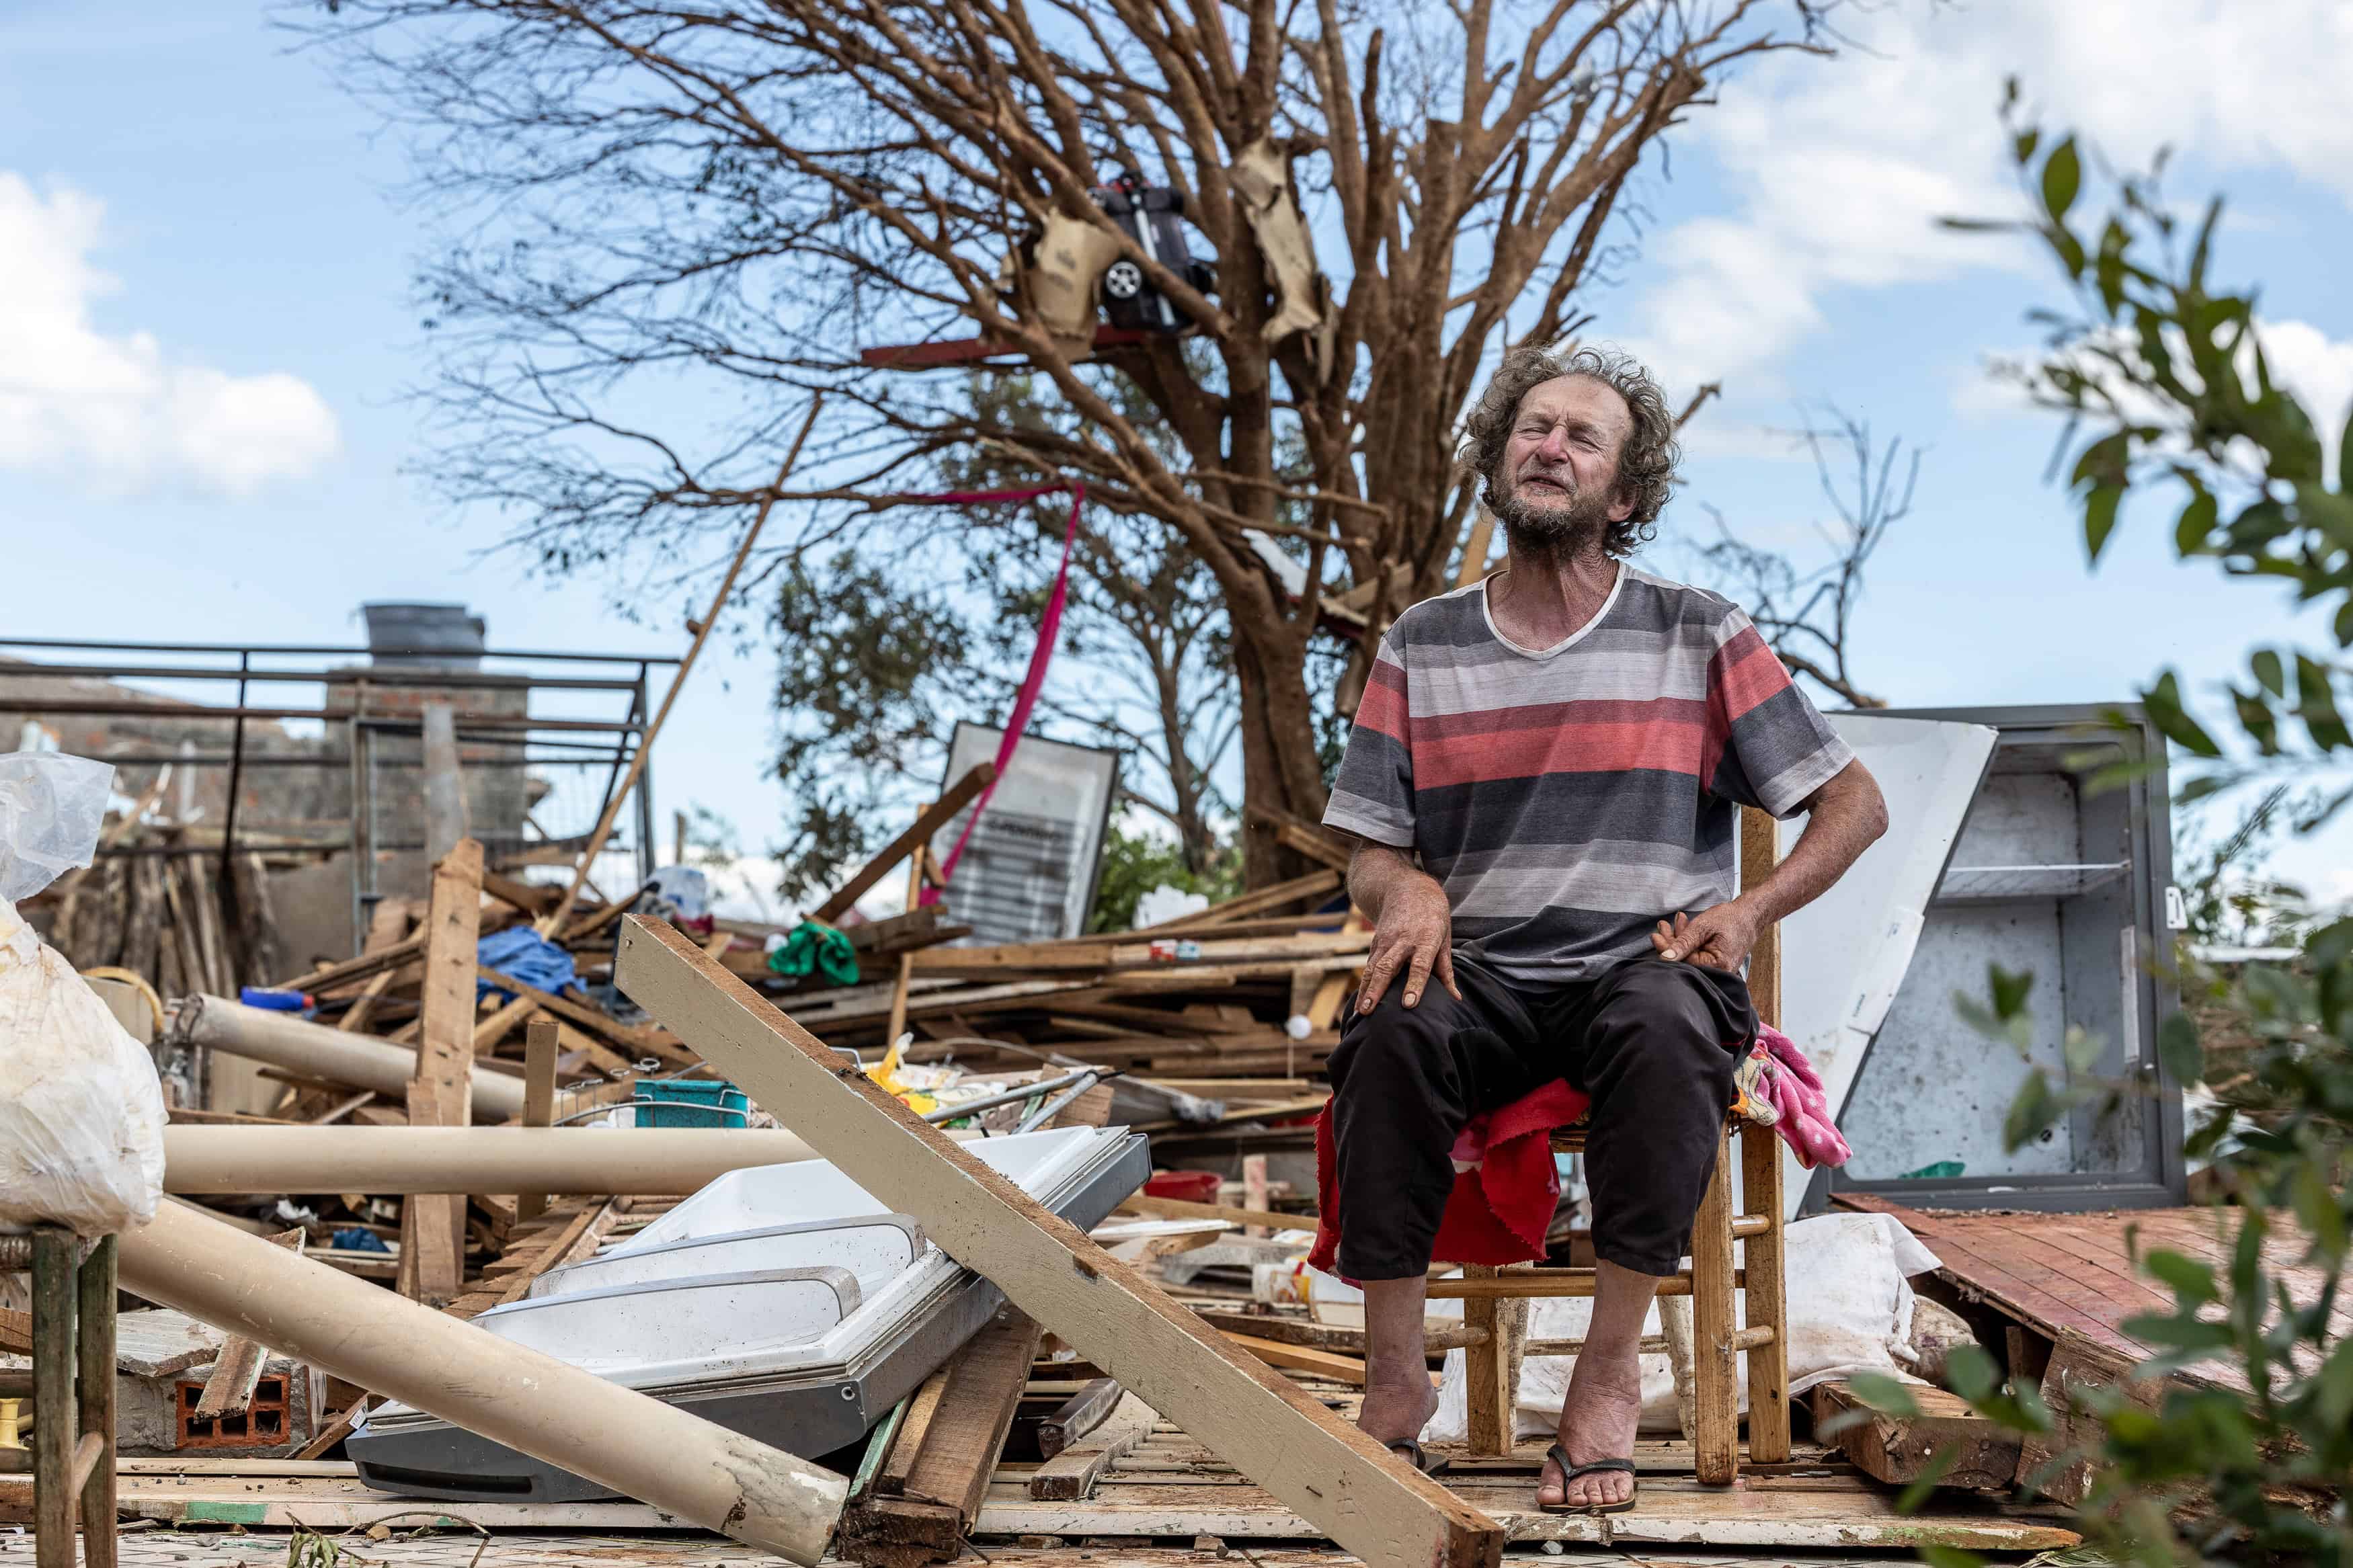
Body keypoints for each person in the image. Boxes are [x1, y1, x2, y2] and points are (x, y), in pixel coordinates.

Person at [1321, 344, 1888, 1512]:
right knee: (1384, 1035)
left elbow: (1855, 801)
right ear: (1497, 462)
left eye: (1584, 437)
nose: (1552, 446)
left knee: (1673, 1030)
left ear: (1623, 497)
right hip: (1480, 976)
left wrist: (1750, 906)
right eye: (1534, 427)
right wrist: (1402, 887)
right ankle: (1393, 1384)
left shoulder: (1697, 633)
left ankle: (1607, 1371)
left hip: (1646, 966)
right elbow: (1369, 847)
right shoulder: (1421, 643)